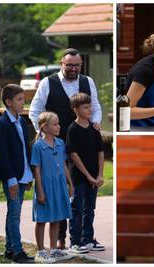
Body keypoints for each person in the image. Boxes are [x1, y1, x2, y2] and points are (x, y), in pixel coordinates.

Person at [29, 49, 102, 248]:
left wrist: (95, 123)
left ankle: (86, 237)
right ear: (61, 63)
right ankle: (60, 238)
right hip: (57, 147)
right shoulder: (47, 82)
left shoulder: (88, 81)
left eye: (77, 65)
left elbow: (95, 107)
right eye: (69, 65)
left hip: (83, 144)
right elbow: (35, 110)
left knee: (86, 193)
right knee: (62, 192)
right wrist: (45, 135)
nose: (73, 68)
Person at [0, 84, 35, 263]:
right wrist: (11, 179)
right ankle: (17, 251)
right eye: (19, 100)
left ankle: (9, 249)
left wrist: (30, 174)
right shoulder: (2, 124)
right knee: (14, 213)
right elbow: (2, 154)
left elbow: (26, 150)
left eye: (23, 99)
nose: (23, 102)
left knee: (13, 213)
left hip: (23, 175)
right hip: (12, 177)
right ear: (8, 102)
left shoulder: (23, 122)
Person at [31, 112, 73, 263]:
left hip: (59, 184)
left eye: (58, 123)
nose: (59, 126)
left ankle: (53, 249)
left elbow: (64, 164)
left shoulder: (61, 143)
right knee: (42, 219)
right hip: (46, 186)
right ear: (45, 128)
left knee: (57, 217)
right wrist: (40, 191)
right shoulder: (38, 146)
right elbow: (37, 170)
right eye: (55, 124)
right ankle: (41, 251)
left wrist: (70, 183)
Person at [67, 93, 105, 254]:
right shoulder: (72, 129)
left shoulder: (94, 128)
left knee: (90, 209)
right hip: (79, 178)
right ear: (76, 109)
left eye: (90, 106)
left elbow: (101, 152)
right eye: (85, 107)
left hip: (95, 178)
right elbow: (73, 155)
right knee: (77, 208)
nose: (90, 109)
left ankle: (88, 239)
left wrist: (100, 175)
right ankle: (75, 242)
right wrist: (89, 176)